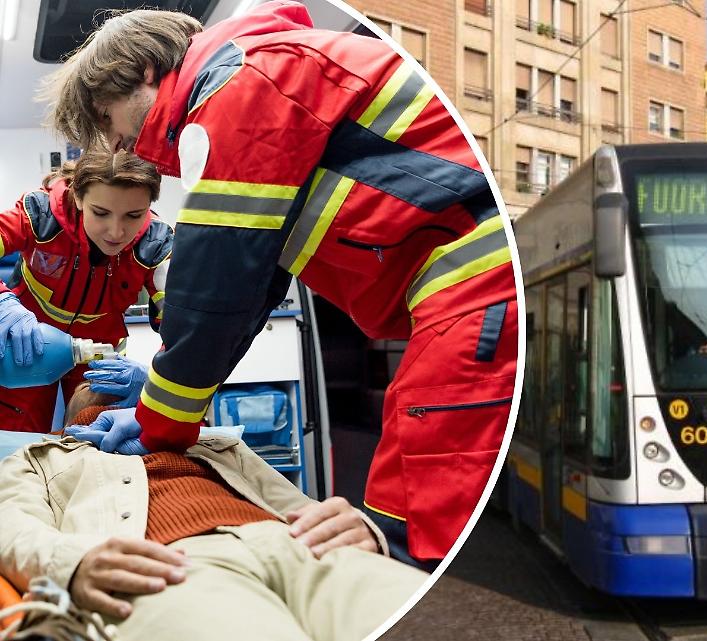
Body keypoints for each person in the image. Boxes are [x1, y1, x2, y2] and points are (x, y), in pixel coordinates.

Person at [44, 0, 518, 566]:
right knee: (403, 513)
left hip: (469, 283)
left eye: (106, 119)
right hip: (457, 288)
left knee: (411, 521)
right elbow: (247, 287)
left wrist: (159, 420)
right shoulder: (262, 74)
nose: (118, 144)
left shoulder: (243, 86)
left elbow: (216, 285)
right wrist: (160, 407)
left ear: (144, 73)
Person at [0, 383, 426, 641]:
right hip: (163, 565)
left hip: (297, 544)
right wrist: (75, 564)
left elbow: (302, 508)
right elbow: (10, 526)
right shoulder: (42, 457)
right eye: (97, 405)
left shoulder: (217, 445)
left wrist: (365, 529)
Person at [0, 150, 171, 433]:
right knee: (16, 439)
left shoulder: (157, 246)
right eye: (101, 213)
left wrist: (158, 379)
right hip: (27, 342)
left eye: (134, 215)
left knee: (94, 434)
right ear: (78, 197)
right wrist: (3, 301)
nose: (116, 232)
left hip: (99, 354)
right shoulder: (39, 215)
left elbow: (186, 325)